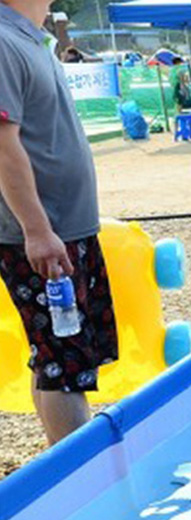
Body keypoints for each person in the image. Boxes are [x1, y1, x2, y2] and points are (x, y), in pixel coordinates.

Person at [0, 0, 119, 447]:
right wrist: (36, 230)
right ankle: (81, 480)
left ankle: (65, 463)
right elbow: (2, 146)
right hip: (42, 233)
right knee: (64, 361)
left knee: (59, 354)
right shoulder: (4, 40)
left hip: (63, 227)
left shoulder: (31, 38)